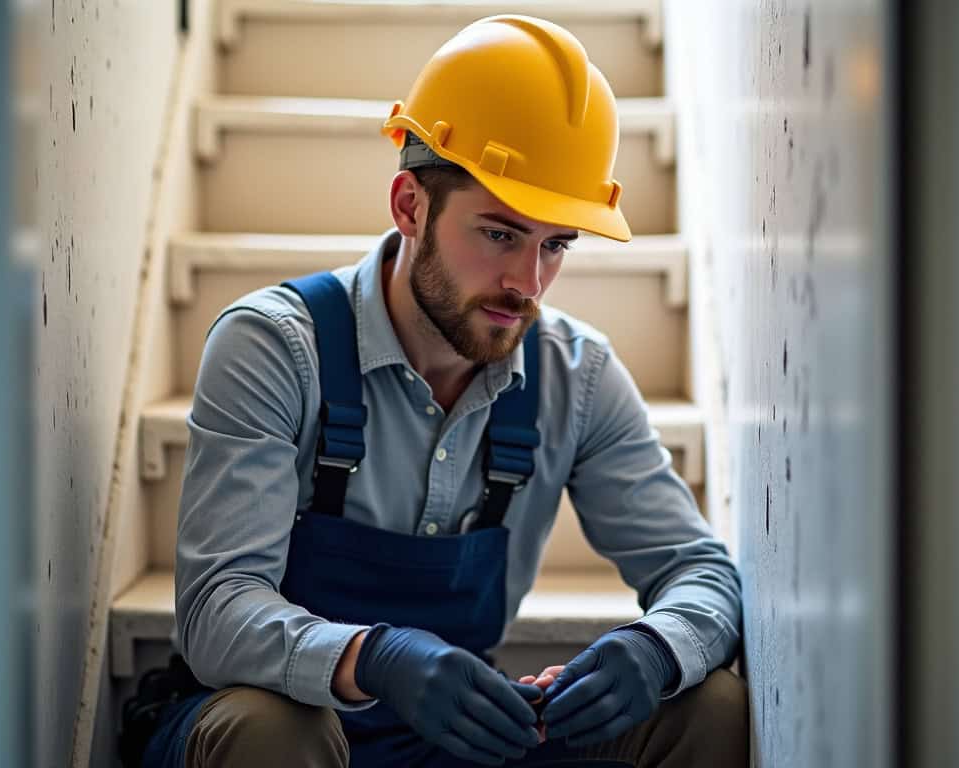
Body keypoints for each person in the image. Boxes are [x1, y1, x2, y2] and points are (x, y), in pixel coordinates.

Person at [148, 14, 747, 768]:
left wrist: (656, 650)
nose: (527, 286)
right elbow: (215, 612)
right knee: (272, 728)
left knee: (709, 703)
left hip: (452, 739)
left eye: (555, 244)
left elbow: (702, 572)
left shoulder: (575, 374)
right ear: (409, 207)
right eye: (499, 233)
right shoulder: (274, 347)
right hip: (288, 720)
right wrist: (374, 659)